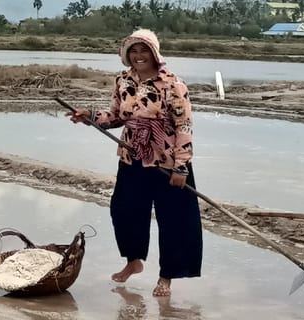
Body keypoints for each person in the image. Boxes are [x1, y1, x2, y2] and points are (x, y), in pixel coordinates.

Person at [65, 29, 202, 297]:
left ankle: (166, 277)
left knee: (174, 220)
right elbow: (116, 117)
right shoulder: (123, 81)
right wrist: (90, 116)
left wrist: (181, 166)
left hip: (167, 160)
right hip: (132, 156)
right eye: (133, 51)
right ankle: (134, 260)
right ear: (127, 55)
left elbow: (184, 125)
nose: (138, 56)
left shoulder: (173, 84)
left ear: (154, 53)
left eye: (144, 50)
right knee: (124, 209)